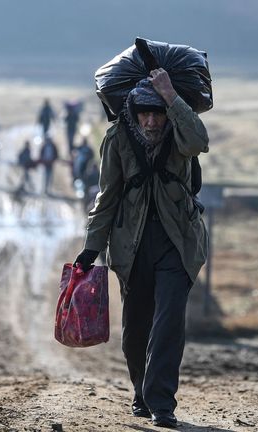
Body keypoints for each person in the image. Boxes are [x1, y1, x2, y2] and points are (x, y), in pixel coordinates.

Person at [73, 68, 209, 429]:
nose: (151, 121)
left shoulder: (181, 129)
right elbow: (108, 196)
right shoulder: (117, 137)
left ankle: (162, 403)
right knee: (135, 329)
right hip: (131, 246)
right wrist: (90, 249)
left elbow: (199, 142)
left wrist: (171, 98)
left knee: (168, 323)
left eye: (157, 113)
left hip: (178, 242)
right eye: (144, 114)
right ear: (132, 113)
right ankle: (140, 390)